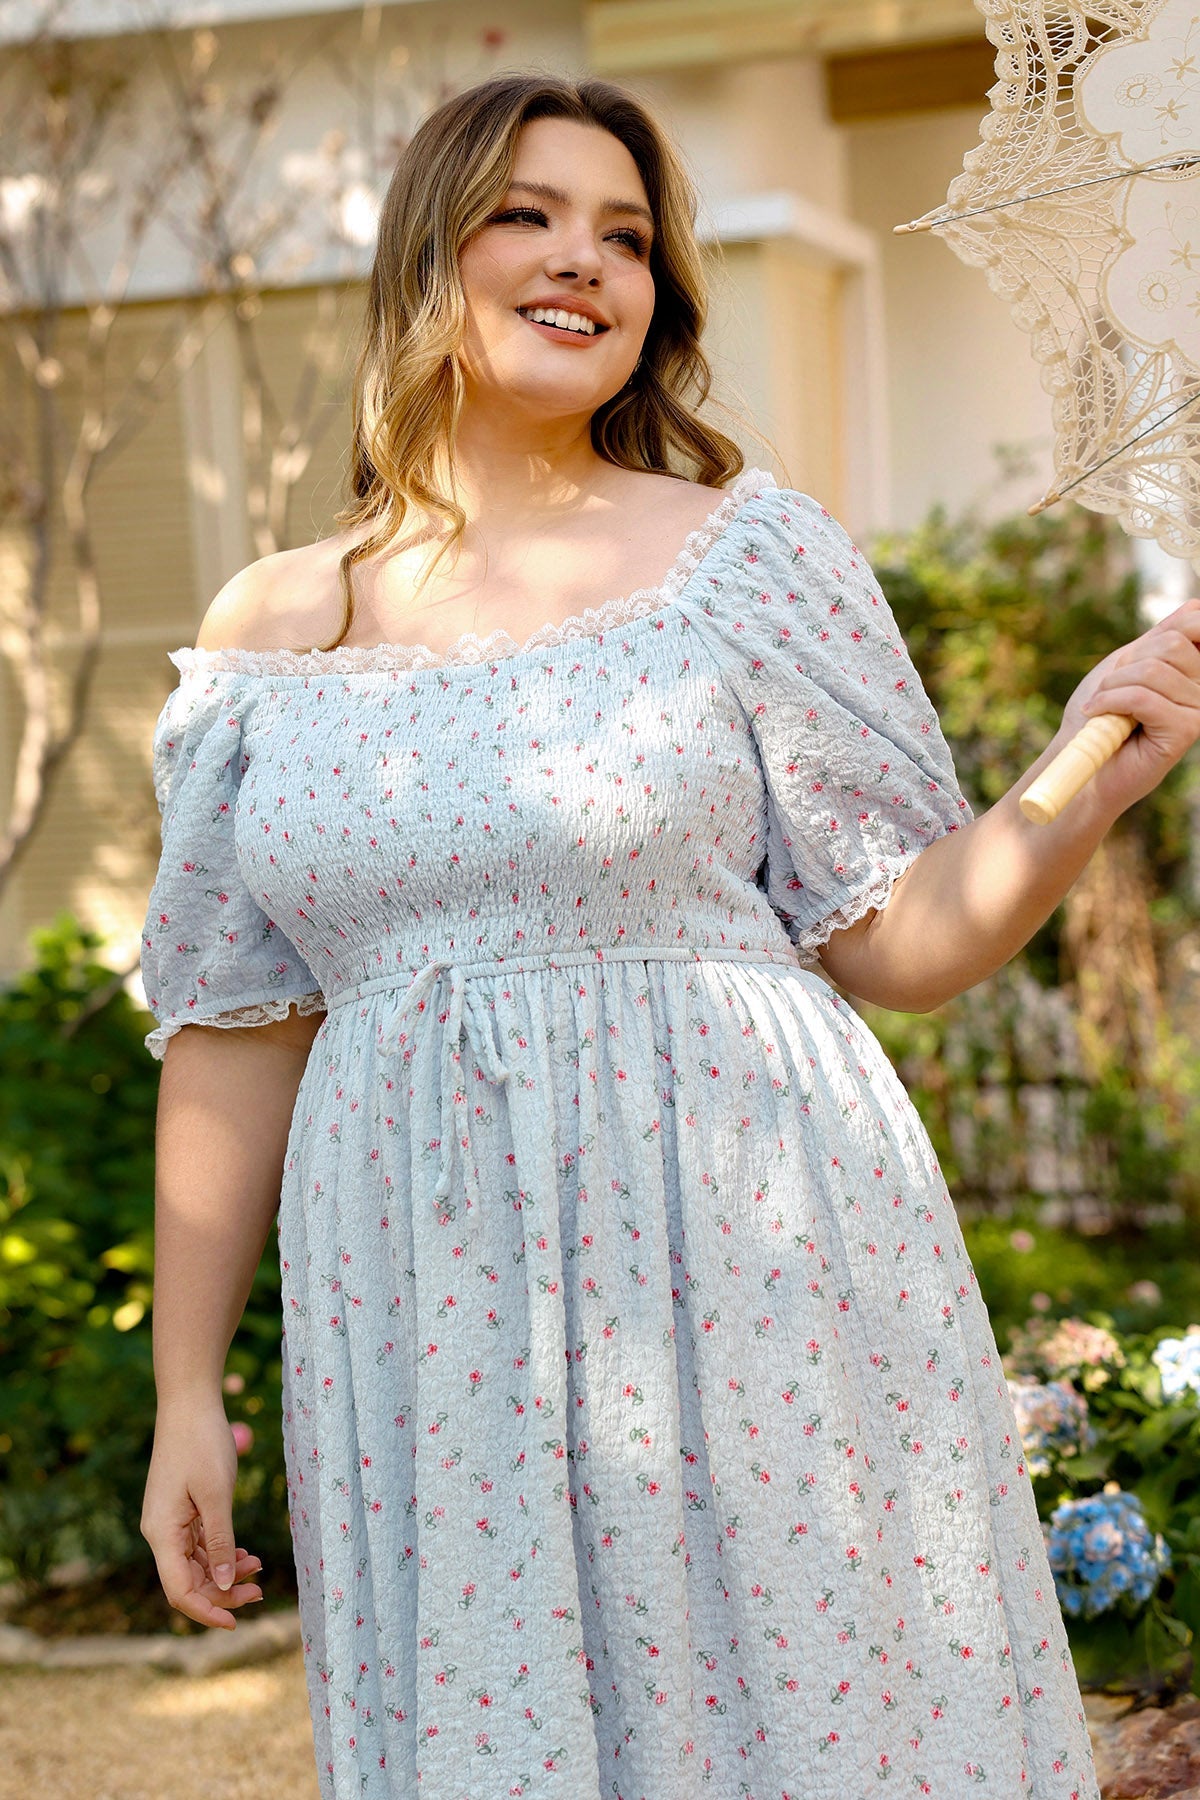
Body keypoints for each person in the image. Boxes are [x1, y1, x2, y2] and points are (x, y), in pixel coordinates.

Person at [136, 69, 1200, 1800]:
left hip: (750, 1259)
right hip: (422, 1314)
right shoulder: (272, 629)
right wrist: (189, 1395)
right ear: (428, 255)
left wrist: (1081, 780)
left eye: (626, 236)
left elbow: (898, 939)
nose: (585, 260)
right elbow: (232, 1036)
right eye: (529, 215)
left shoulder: (751, 557)